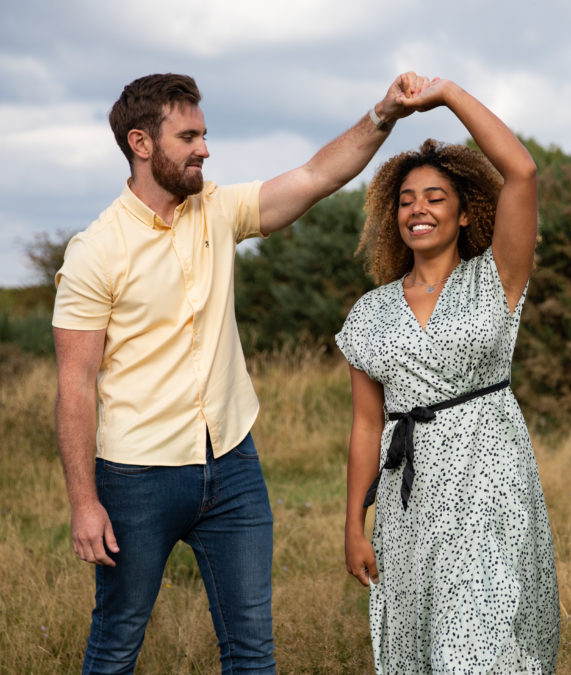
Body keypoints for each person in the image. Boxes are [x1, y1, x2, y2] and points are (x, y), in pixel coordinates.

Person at [52, 70, 430, 674]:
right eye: (189, 136)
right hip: (137, 478)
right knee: (117, 643)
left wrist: (383, 114)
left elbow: (316, 175)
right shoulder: (95, 251)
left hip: (233, 467)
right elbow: (74, 385)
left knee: (253, 648)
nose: (205, 148)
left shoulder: (218, 210)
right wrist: (83, 502)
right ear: (141, 144)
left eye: (205, 134)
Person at [335, 78, 560, 672]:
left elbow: (523, 173)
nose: (419, 209)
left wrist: (447, 96)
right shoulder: (370, 313)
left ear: (464, 215)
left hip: (489, 489)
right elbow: (365, 427)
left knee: (477, 646)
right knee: (417, 647)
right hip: (409, 502)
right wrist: (355, 525)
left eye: (435, 197)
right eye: (407, 199)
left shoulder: (496, 279)